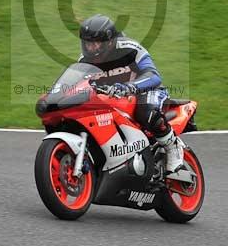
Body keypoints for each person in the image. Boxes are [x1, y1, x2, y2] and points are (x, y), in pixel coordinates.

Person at [78, 14, 184, 172]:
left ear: (110, 41)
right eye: (88, 44)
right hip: (114, 101)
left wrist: (129, 87)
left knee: (146, 111)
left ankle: (172, 146)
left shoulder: (130, 48)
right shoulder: (83, 62)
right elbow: (78, 85)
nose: (91, 49)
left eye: (97, 44)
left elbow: (153, 75)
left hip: (146, 91)